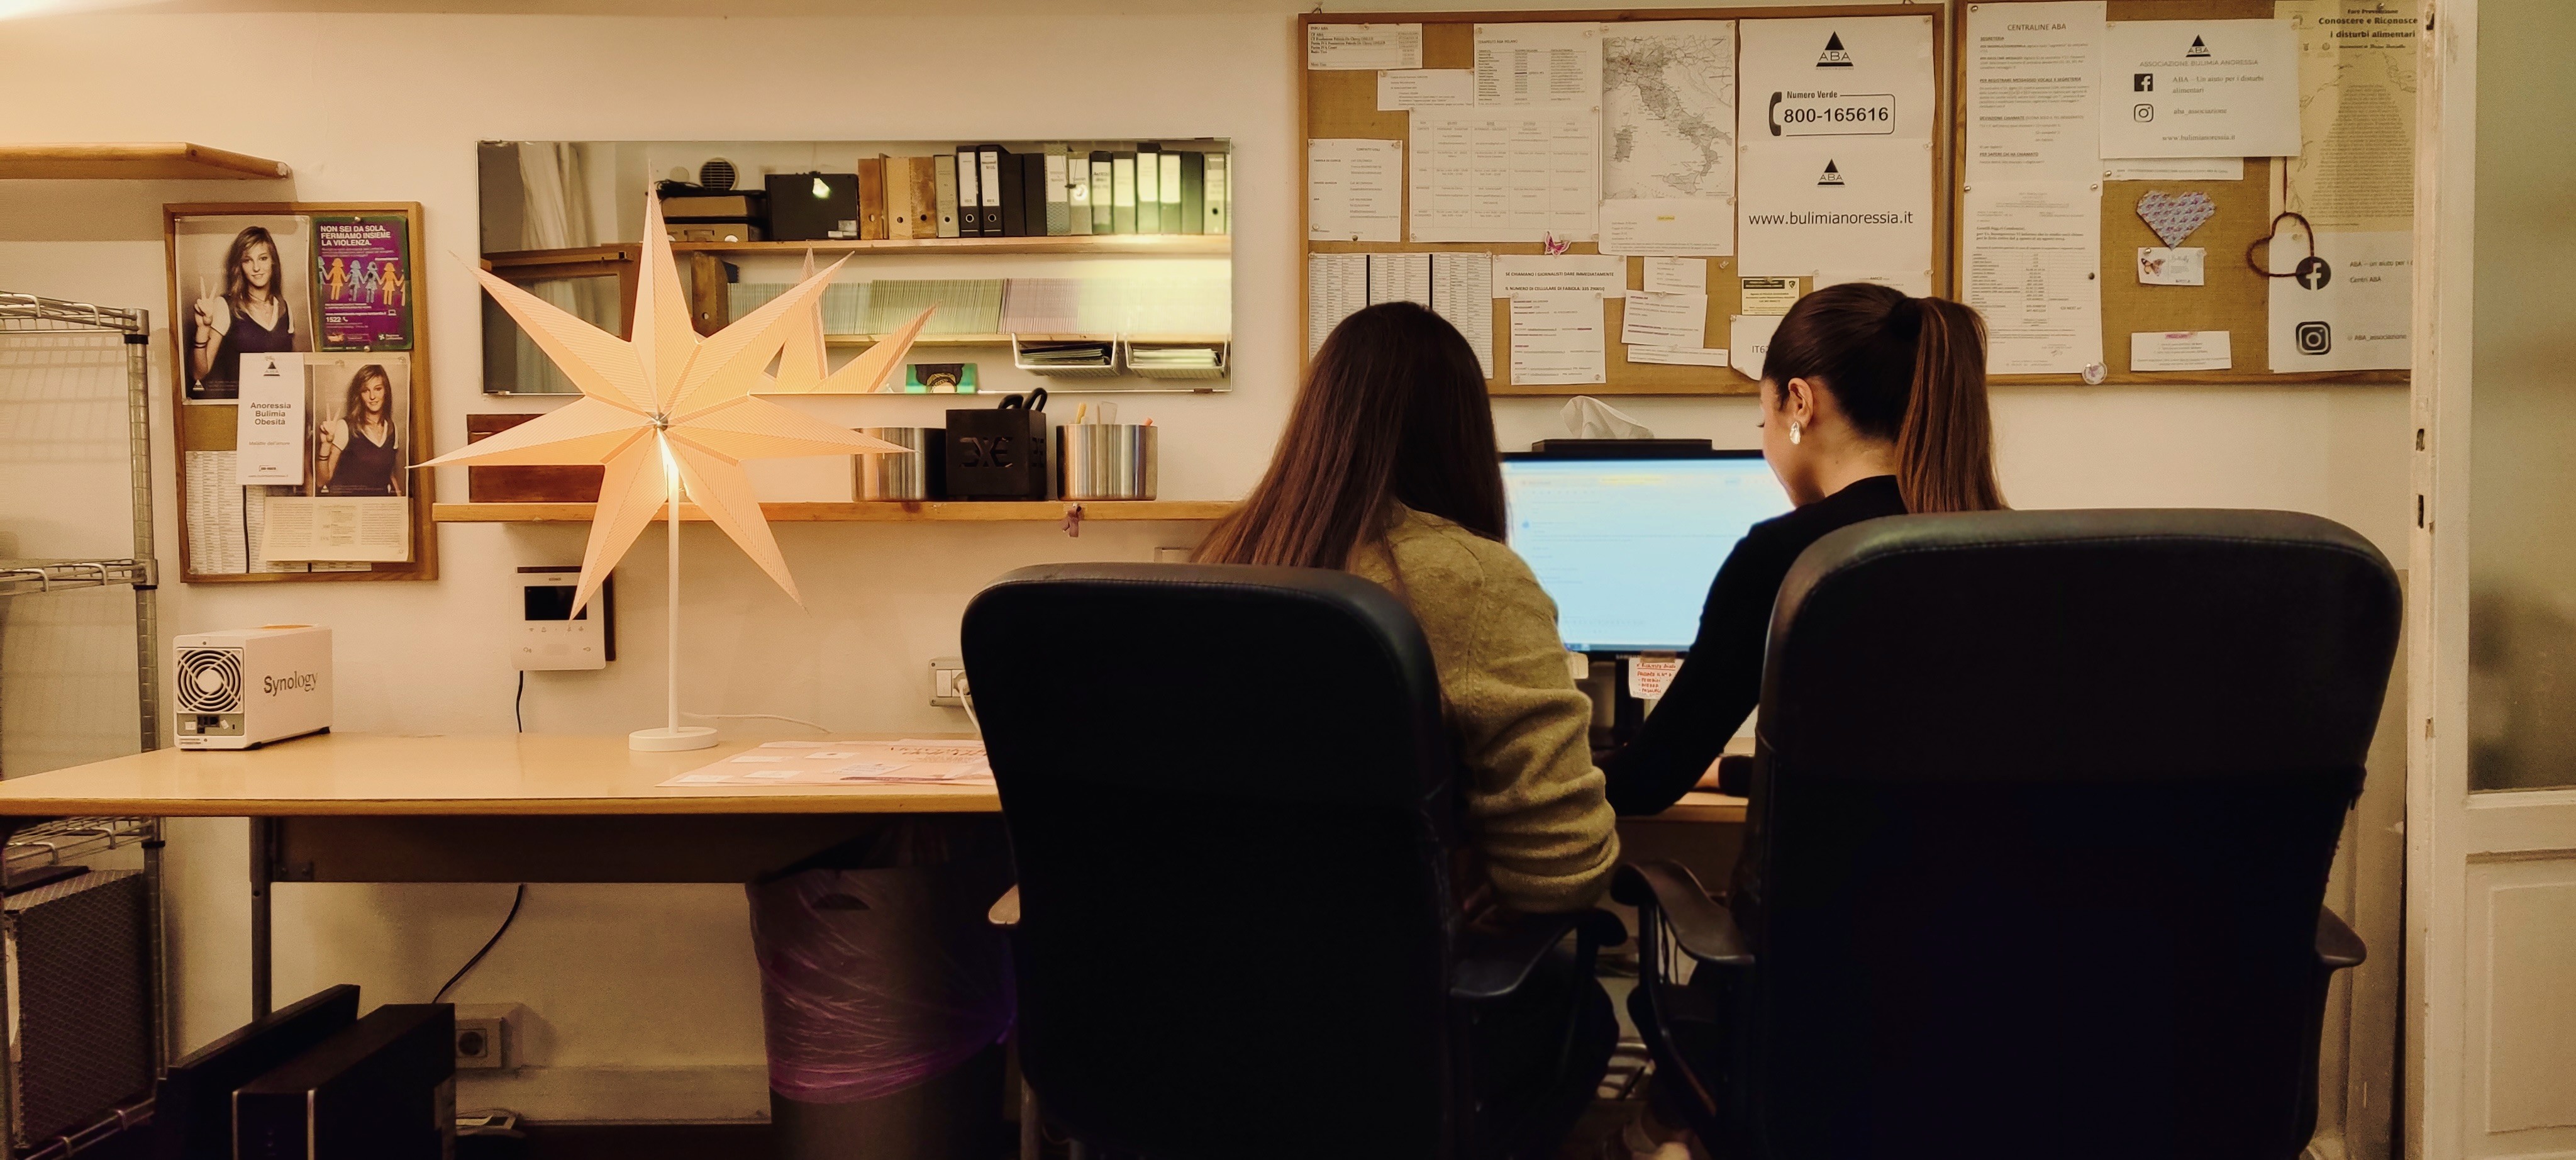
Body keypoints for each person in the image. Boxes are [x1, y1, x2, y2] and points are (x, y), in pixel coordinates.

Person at [1195, 302, 1620, 1146]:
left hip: (1210, 1023)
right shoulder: (1467, 577)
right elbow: (1566, 871)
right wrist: (1466, 881)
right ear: (1459, 433)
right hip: (1397, 1039)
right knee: (1587, 1012)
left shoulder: (1223, 565)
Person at [1602, 283, 2005, 818]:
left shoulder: (1789, 556)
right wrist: (1729, 769)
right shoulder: (2005, 546)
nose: (1767, 438)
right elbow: (1899, 761)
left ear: (1799, 402)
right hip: (1996, 895)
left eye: (1762, 419)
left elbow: (1645, 784)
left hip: (1840, 898)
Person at [190, 225, 306, 396]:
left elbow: (291, 372)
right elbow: (199, 374)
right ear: (240, 266)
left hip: (279, 412)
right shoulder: (225, 305)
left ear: (273, 261)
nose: (256, 268)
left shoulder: (284, 307)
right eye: (248, 260)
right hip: (239, 412)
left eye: (263, 258)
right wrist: (203, 329)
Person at [316, 364, 402, 496]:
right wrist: (326, 444)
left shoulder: (392, 428)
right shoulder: (345, 427)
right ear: (359, 395)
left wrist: (399, 500)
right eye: (366, 391)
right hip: (353, 510)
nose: (372, 396)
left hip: (381, 510)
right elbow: (322, 481)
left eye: (378, 389)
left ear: (386, 391)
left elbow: (389, 473)